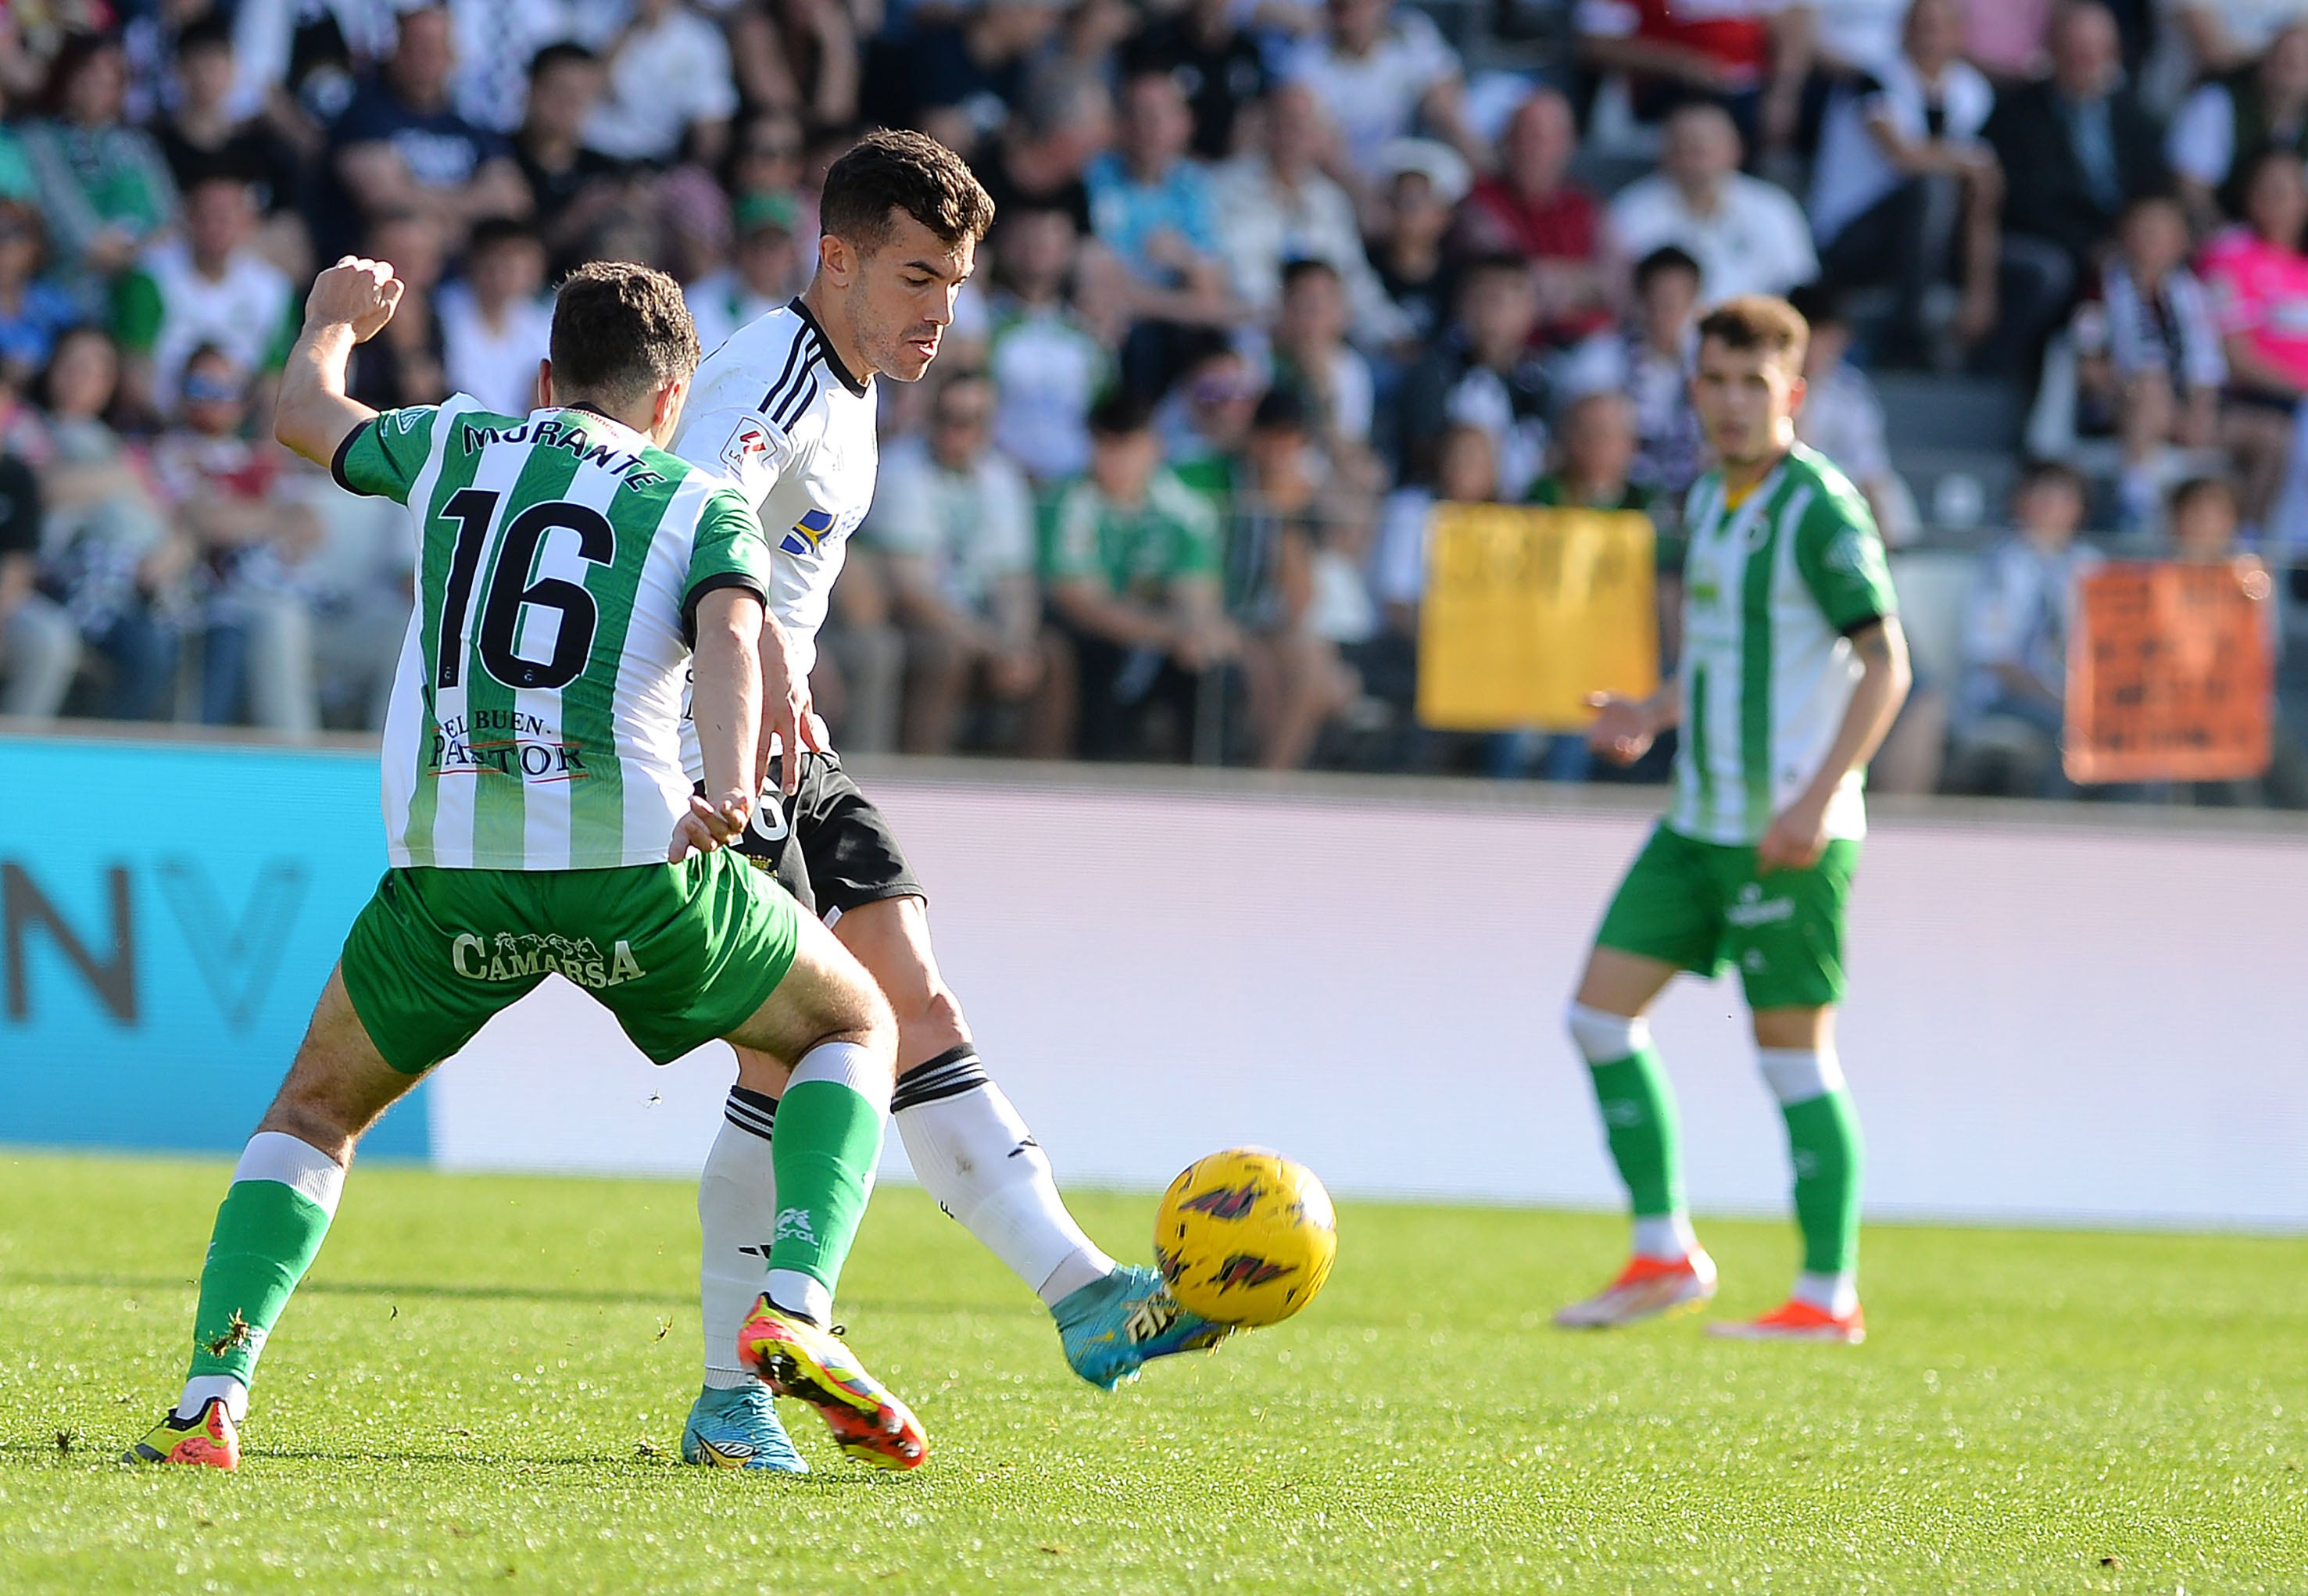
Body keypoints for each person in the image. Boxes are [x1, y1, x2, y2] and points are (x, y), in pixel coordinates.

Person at [127, 254, 924, 1475]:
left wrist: (330, 324)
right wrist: (723, 790)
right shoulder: (694, 497)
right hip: (635, 873)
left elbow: (302, 416)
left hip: (445, 881)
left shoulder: (456, 442)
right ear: (674, 401)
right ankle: (794, 1307)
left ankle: (210, 1394)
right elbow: (734, 637)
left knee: (312, 1110)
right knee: (847, 1027)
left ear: (547, 375)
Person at [664, 131, 1229, 1473]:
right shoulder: (775, 379)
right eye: (916, 276)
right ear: (839, 257)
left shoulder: (851, 384)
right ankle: (734, 1385)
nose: (940, 312)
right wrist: (730, 730)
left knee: (919, 1003)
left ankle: (1083, 1295)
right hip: (713, 740)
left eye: (959, 284)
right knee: (787, 1054)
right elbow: (677, 528)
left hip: (791, 738)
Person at [1556, 294, 1911, 1344]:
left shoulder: (1819, 507)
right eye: (1710, 381)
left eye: (1749, 384)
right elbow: (1722, 650)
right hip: (1696, 821)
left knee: (1792, 1055)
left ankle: (1826, 1293)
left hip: (1786, 832)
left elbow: (1887, 662)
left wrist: (1811, 803)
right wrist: (1652, 709)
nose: (1727, 402)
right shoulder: (1706, 498)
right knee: (1594, 1016)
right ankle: (1663, 1251)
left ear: (1791, 394)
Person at [1045, 387, 1239, 761]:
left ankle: (1204, 787)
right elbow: (1082, 603)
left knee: (1211, 664)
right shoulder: (1071, 500)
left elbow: (1198, 595)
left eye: (1127, 447)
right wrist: (1172, 633)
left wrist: (1197, 633)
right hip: (1094, 635)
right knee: (1093, 656)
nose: (1116, 462)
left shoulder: (1184, 508)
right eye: (1107, 447)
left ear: (1153, 446)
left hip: (1156, 633)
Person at [862, 371, 1050, 754]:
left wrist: (1016, 644)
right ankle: (923, 784)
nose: (959, 430)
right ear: (931, 417)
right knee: (946, 655)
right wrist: (993, 646)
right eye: (949, 417)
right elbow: (911, 592)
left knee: (1051, 658)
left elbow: (1014, 581)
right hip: (914, 619)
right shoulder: (900, 469)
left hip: (980, 623)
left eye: (973, 420)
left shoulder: (1002, 476)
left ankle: (1046, 791)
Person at [1808, 0, 2002, 363]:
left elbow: (1983, 192)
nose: (1929, 36)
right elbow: (1903, 156)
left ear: (1959, 33)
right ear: (1902, 30)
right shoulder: (1872, 78)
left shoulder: (1973, 91)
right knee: (1931, 187)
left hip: (1927, 241)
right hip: (1849, 237)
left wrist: (1981, 290)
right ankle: (1910, 328)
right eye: (1920, 24)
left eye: (1939, 25)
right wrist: (1967, 162)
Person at [1982, 2, 2167, 358]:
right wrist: (2090, 247)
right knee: (2052, 272)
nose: (2086, 59)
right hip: (2049, 243)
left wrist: (2135, 240)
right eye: (2075, 48)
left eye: (2096, 50)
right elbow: (2020, 201)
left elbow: (2153, 191)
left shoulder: (2135, 119)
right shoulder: (2016, 114)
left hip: (2122, 243)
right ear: (2052, 49)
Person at [2071, 191, 2224, 530]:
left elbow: (2206, 368)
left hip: (2180, 410)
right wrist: (2134, 389)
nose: (2152, 239)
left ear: (2182, 240)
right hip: (2116, 403)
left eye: (2162, 230)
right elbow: (2088, 364)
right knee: (2149, 389)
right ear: (2125, 235)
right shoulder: (2101, 287)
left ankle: (2239, 530)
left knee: (2268, 434)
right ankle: (2135, 499)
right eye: (2143, 229)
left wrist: (2198, 410)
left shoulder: (2192, 293)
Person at [330, 4, 531, 252]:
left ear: (452, 54)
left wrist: (430, 208)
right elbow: (386, 199)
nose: (426, 57)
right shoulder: (364, 116)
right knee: (407, 235)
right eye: (417, 46)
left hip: (468, 274)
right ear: (395, 50)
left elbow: (513, 200)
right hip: (389, 268)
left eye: (436, 46)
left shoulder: (470, 121)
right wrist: (470, 210)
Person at [20, 34, 180, 317]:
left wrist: (136, 253)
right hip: (68, 291)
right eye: (89, 72)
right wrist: (134, 252)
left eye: (111, 76)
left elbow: (170, 223)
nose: (98, 84)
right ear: (66, 75)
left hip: (143, 289)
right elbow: (76, 234)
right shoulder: (38, 139)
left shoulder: (139, 144)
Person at [114, 176, 299, 420]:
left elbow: (273, 378)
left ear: (248, 223)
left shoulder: (274, 289)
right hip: (162, 423)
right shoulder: (151, 277)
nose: (214, 227)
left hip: (240, 428)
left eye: (225, 218)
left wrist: (264, 445)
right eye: (205, 217)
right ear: (187, 220)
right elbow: (135, 368)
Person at [1608, 102, 1817, 306]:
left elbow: (1799, 290)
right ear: (1664, 152)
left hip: (1754, 337)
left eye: (1703, 147)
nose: (1693, 158)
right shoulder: (1632, 210)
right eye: (1682, 146)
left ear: (1736, 149)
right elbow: (1624, 299)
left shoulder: (1774, 209)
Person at [1455, 88, 1617, 349]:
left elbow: (1617, 285)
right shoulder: (1480, 200)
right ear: (1507, 142)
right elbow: (1509, 282)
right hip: (1507, 349)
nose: (1532, 149)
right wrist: (1584, 283)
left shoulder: (1586, 204)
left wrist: (1546, 281)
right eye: (1522, 136)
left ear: (1568, 144)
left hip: (1586, 346)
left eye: (1545, 138)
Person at [2198, 149, 2308, 530]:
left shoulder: (2302, 266)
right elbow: (2237, 358)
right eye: (2267, 188)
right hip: (2249, 404)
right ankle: (2258, 551)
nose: (2277, 199)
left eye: (2289, 189)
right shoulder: (2229, 256)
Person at [1283, 0, 1489, 190]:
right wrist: (1365, 199)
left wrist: (1482, 166)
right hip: (1339, 182)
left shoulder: (1411, 32)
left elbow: (1445, 105)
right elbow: (1328, 152)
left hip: (1401, 169)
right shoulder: (1307, 57)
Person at [1396, 252, 1553, 497]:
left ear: (1529, 309)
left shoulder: (1543, 377)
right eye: (1481, 298)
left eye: (1501, 300)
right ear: (1461, 304)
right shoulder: (1435, 370)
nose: (1491, 312)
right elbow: (1422, 453)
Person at [1564, 244, 1708, 510]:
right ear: (1641, 300)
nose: (1670, 312)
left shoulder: (1709, 368)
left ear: (1698, 305)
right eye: (1661, 299)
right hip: (1618, 498)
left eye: (1680, 301)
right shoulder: (1601, 357)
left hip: (1689, 497)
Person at [1787, 283, 1920, 546]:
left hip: (1840, 507)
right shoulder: (1766, 386)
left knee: (1891, 496)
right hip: (1783, 501)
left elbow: (1870, 470)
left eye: (1826, 335)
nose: (1816, 346)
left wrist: (1880, 546)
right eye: (1810, 333)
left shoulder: (1851, 391)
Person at [2167, 21, 2308, 234]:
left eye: (2299, 64)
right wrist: (2228, 241)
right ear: (2265, 62)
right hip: (2224, 239)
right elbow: (2192, 189)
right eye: (2284, 60)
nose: (2290, 72)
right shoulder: (2217, 102)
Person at [582, 0, 741, 168]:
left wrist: (698, 172)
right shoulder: (597, 16)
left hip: (657, 159)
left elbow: (711, 119)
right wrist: (628, 32)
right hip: (593, 149)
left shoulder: (701, 39)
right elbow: (588, 91)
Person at [436, 218, 553, 417]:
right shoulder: (441, 312)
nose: (501, 274)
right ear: (474, 262)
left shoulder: (539, 322)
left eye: (512, 264)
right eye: (494, 262)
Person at [687, 193, 808, 357]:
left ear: (792, 252)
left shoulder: (804, 310)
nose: (765, 257)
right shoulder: (703, 303)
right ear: (737, 249)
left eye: (775, 246)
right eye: (756, 245)